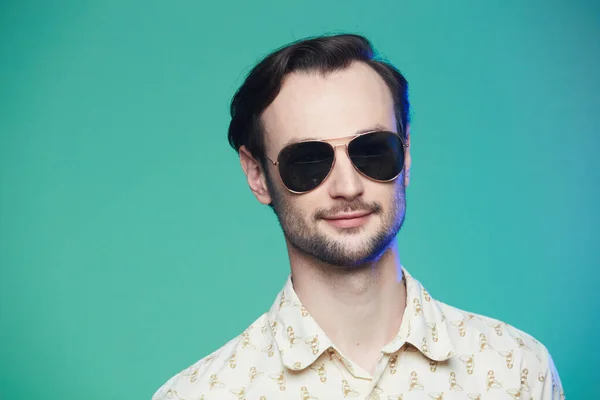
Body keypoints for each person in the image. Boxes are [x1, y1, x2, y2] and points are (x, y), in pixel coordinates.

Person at [152, 34, 564, 400]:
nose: (347, 187)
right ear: (258, 175)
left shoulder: (518, 372)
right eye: (308, 160)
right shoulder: (200, 393)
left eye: (372, 150)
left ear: (405, 155)